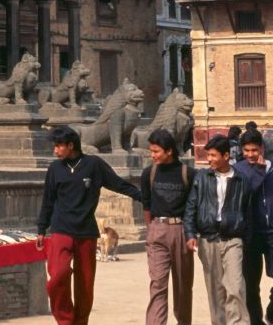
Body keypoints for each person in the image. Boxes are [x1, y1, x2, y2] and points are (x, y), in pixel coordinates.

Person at [36, 125, 142, 325]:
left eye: (58, 146)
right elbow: (47, 201)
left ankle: (80, 321)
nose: (55, 150)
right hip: (60, 230)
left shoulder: (93, 165)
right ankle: (65, 320)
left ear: (70, 145)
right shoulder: (54, 169)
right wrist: (41, 229)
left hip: (86, 232)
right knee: (58, 276)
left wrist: (143, 197)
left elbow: (117, 183)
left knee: (85, 285)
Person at [184, 133, 254, 325]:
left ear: (226, 156)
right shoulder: (202, 178)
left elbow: (248, 213)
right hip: (208, 239)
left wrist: (245, 240)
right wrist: (190, 233)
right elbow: (191, 207)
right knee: (215, 290)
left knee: (235, 287)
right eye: (208, 155)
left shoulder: (242, 180)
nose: (209, 160)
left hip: (233, 239)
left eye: (214, 155)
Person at [142, 128, 195, 325]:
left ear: (169, 151)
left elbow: (193, 206)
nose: (152, 155)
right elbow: (146, 204)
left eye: (156, 151)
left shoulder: (188, 174)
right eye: (151, 151)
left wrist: (191, 233)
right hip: (157, 231)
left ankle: (183, 321)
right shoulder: (150, 173)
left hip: (181, 231)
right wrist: (151, 229)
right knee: (158, 284)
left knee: (182, 285)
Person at [236, 130, 273, 325]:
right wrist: (258, 171)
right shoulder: (239, 170)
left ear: (262, 149)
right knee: (251, 285)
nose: (250, 154)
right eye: (246, 150)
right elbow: (246, 193)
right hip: (250, 233)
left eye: (254, 150)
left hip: (272, 232)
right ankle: (256, 322)